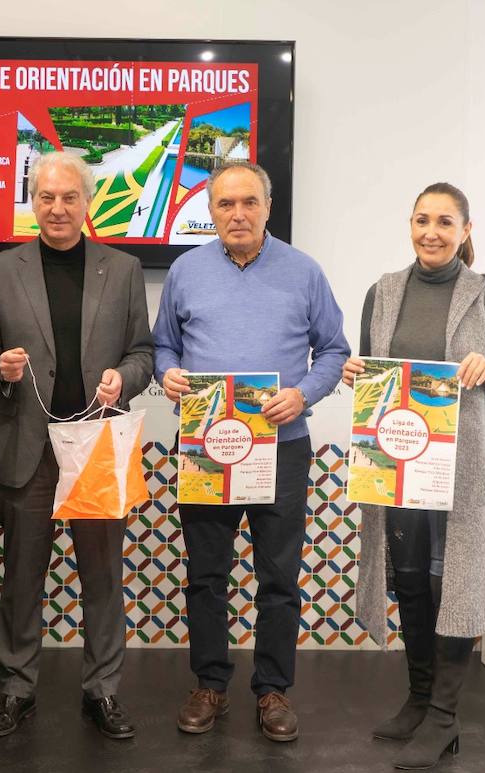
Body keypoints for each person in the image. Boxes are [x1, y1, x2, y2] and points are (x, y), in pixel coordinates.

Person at [153, 161, 350, 742]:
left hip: (282, 448)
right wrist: (167, 374)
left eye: (249, 203)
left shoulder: (304, 271)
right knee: (206, 575)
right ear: (210, 210)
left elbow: (334, 351)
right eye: (225, 204)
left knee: (279, 577)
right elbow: (163, 346)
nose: (237, 214)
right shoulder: (186, 271)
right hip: (207, 445)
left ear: (268, 206)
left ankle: (272, 690)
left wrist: (303, 394)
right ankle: (209, 683)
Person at [0, 151, 154, 741]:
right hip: (26, 447)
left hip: (97, 446)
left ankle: (103, 691)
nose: (57, 208)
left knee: (102, 579)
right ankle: (16, 689)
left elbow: (143, 352)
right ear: (32, 201)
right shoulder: (0, 270)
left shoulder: (123, 269)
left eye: (69, 197)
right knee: (21, 578)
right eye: (46, 197)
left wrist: (124, 378)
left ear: (87, 202)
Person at [344, 182, 485, 770]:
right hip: (399, 464)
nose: (431, 232)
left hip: (464, 471)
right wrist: (355, 374)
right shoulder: (382, 292)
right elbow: (373, 375)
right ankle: (419, 700)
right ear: (410, 225)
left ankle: (444, 718)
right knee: (412, 579)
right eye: (422, 220)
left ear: (465, 231)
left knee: (454, 585)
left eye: (445, 222)